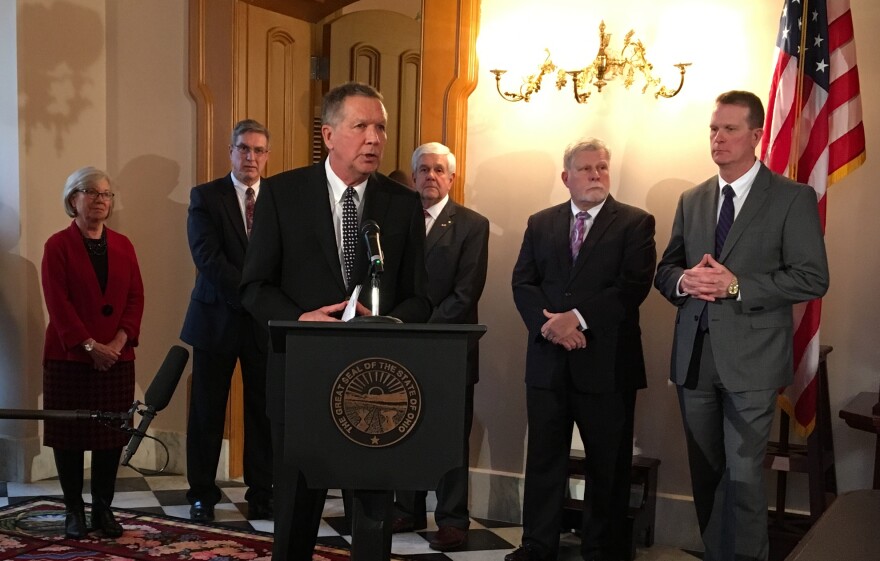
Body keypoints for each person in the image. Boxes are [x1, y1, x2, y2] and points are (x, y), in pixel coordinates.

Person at [240, 82, 431, 561]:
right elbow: (254, 287)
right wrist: (299, 318)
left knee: (370, 509)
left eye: (381, 127)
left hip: (375, 379)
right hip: (301, 371)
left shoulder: (402, 203)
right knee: (297, 503)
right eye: (361, 126)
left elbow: (422, 297)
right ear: (329, 134)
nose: (374, 138)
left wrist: (387, 319)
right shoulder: (282, 194)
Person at [654, 90, 829, 561]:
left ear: (756, 135)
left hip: (752, 362)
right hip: (694, 360)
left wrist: (737, 286)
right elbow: (664, 270)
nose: (718, 138)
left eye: (730, 129)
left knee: (745, 477)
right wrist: (683, 280)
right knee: (707, 475)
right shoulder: (693, 199)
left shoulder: (792, 197)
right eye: (713, 128)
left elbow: (813, 277)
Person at [509, 139, 656, 561]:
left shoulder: (635, 223)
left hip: (607, 366)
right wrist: (549, 326)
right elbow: (523, 283)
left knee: (607, 466)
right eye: (586, 168)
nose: (595, 175)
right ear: (566, 177)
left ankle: (601, 550)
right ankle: (537, 545)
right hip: (548, 363)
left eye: (602, 168)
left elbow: (632, 288)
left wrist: (576, 318)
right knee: (543, 460)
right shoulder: (540, 223)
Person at [392, 142, 489, 551]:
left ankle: (451, 519)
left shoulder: (471, 224)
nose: (430, 176)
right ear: (413, 177)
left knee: (450, 435)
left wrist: (422, 331)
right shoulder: (396, 221)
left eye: (438, 170)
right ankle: (407, 507)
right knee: (403, 428)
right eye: (423, 170)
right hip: (400, 345)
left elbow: (466, 293)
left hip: (449, 347)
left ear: (451, 178)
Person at [41, 166, 144, 539]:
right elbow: (58, 303)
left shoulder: (124, 245)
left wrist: (117, 344)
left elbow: (135, 298)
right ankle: (73, 511)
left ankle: (103, 508)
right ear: (73, 200)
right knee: (69, 437)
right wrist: (89, 346)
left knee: (110, 436)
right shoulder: (57, 245)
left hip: (116, 359)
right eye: (92, 192)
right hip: (70, 358)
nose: (101, 199)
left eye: (106, 194)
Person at [180, 119, 274, 522]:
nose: (250, 157)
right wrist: (251, 295)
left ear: (266, 156)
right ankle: (202, 493)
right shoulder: (205, 197)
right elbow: (207, 258)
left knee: (263, 411)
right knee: (207, 411)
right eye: (243, 149)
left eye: (258, 150)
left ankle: (263, 493)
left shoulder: (277, 198)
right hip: (216, 317)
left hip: (262, 325)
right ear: (230, 152)